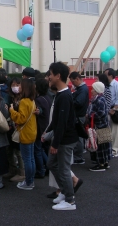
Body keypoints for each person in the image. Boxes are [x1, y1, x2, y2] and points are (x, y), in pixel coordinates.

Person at [46, 62, 78, 210]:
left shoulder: (64, 96)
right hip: (62, 139)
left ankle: (70, 200)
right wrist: (47, 133)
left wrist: (55, 143)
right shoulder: (60, 94)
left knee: (64, 169)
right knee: (52, 164)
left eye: (51, 74)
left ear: (58, 76)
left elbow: (62, 123)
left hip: (66, 140)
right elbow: (57, 120)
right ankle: (65, 192)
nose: (49, 77)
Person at [9, 78, 37, 190]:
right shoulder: (32, 100)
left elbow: (21, 119)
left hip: (25, 133)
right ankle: (31, 180)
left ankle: (28, 182)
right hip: (32, 131)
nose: (18, 87)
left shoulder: (24, 101)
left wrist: (11, 110)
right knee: (31, 159)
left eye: (21, 86)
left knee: (27, 159)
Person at [87, 82, 111, 171]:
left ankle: (100, 164)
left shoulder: (99, 99)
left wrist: (90, 115)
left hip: (100, 126)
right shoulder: (100, 98)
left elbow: (101, 113)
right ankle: (105, 162)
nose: (92, 90)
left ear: (97, 90)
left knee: (100, 146)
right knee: (104, 145)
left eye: (93, 89)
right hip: (104, 125)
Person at [5, 77, 24, 181]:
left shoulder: (25, 98)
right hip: (11, 126)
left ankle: (22, 173)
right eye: (13, 85)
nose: (15, 87)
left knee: (18, 151)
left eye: (17, 84)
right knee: (9, 150)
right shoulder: (9, 97)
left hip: (20, 127)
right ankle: (12, 170)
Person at [69, 72, 89, 165]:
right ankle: (78, 155)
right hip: (80, 114)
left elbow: (79, 102)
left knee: (78, 136)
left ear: (77, 79)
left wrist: (70, 101)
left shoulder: (82, 89)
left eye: (73, 81)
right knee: (79, 135)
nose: (73, 84)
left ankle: (78, 157)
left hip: (79, 115)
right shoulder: (81, 89)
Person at [34, 78, 52, 178]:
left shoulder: (39, 100)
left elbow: (39, 111)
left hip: (40, 128)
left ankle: (42, 170)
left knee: (38, 150)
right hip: (46, 126)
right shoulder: (47, 97)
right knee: (42, 149)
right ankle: (48, 167)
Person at [104, 68, 118, 158]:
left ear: (110, 76)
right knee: (109, 130)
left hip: (116, 109)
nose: (105, 76)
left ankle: (115, 150)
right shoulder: (107, 85)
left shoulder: (117, 85)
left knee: (115, 131)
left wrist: (113, 109)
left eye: (106, 74)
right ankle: (115, 148)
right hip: (109, 108)